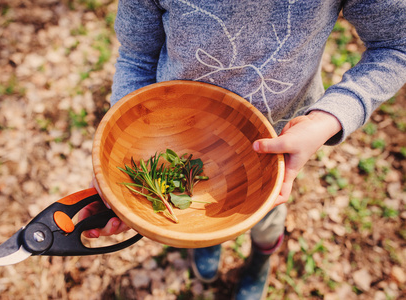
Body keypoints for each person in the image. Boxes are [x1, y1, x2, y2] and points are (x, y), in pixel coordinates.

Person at [79, 0, 406, 299]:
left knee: (267, 220)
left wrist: (327, 118)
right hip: (175, 134)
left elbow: (396, 44)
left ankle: (261, 257)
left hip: (273, 150)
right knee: (197, 218)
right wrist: (118, 172)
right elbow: (137, 54)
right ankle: (207, 242)